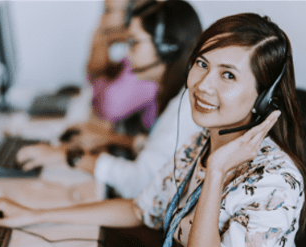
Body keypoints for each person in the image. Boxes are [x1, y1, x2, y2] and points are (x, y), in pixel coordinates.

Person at [0, 13, 306, 247]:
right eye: (202, 64)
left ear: (264, 98)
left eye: (228, 75)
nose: (203, 85)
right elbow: (141, 208)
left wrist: (217, 172)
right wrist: (31, 214)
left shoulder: (274, 183)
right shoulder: (203, 143)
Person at [16, 0, 203, 198]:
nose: (127, 55)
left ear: (167, 48)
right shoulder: (173, 92)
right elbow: (158, 149)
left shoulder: (182, 110)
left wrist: (69, 156)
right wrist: (108, 138)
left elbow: (138, 183)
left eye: (134, 44)